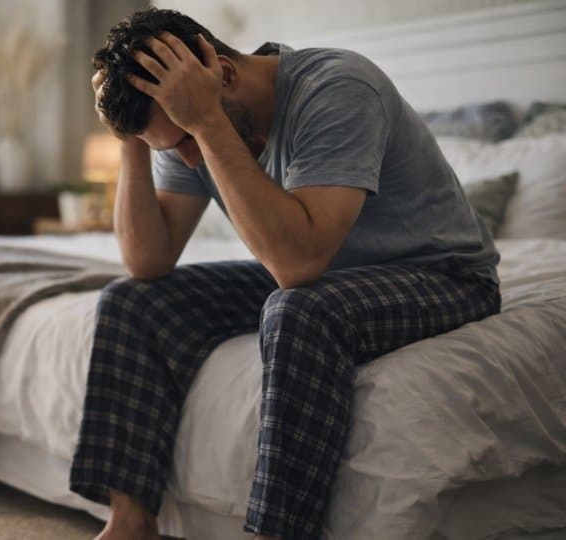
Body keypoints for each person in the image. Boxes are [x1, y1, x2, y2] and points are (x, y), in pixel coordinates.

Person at [68, 7, 501, 540]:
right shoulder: (178, 119)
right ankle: (131, 521)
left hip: (441, 272)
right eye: (170, 145)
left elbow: (298, 266)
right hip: (326, 274)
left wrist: (204, 126)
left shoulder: (337, 87)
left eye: (182, 141)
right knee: (132, 299)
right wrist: (132, 141)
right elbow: (148, 261)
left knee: (296, 308)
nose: (186, 161)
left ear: (222, 73)